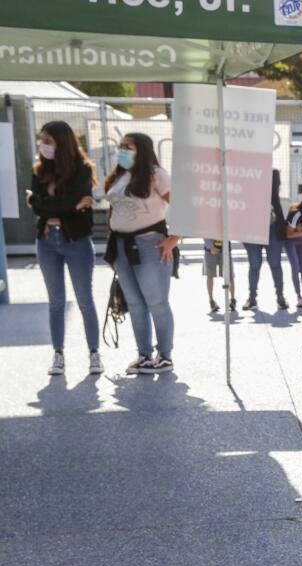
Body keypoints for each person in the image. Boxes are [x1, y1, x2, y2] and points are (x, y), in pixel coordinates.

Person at [27, 120, 102, 376]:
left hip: (76, 240)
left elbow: (50, 204)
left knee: (84, 300)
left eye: (48, 141)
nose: (43, 145)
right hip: (47, 241)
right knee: (56, 301)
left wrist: (44, 204)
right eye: (42, 140)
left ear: (61, 141)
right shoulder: (39, 170)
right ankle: (58, 354)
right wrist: (58, 205)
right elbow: (44, 205)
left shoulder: (82, 169)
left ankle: (94, 354)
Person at [103, 132, 179, 375]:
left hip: (149, 246)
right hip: (122, 248)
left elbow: (183, 208)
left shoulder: (157, 175)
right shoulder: (120, 176)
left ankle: (165, 355)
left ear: (142, 150)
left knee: (157, 303)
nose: (122, 150)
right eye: (121, 146)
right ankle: (144, 355)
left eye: (128, 147)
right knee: (135, 304)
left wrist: (172, 241)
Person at [241, 169, 288, 312]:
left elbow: (272, 191)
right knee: (254, 264)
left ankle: (280, 297)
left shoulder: (273, 173)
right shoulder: (247, 173)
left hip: (273, 228)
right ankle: (252, 298)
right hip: (252, 227)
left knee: (275, 263)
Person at [202, 239, 236, 313]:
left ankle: (232, 300)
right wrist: (211, 247)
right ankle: (212, 301)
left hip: (224, 246)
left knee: (229, 275)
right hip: (210, 247)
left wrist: (215, 246)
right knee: (210, 275)